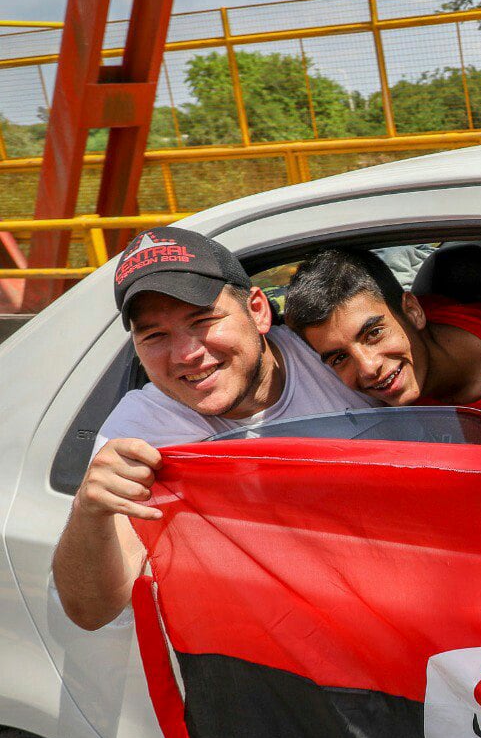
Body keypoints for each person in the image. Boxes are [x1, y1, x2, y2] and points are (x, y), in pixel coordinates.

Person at [53, 227, 371, 631]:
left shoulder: (334, 354)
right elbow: (91, 612)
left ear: (258, 310)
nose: (187, 354)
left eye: (203, 320)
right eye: (155, 335)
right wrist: (88, 510)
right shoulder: (140, 432)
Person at [284, 248, 481, 428]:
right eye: (340, 358)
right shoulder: (412, 316)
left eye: (374, 334)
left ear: (413, 311)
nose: (368, 368)